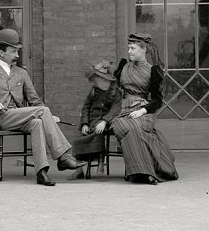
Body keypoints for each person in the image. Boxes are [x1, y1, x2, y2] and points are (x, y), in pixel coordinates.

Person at [0, 28, 84, 186]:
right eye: (13, 51)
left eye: (18, 51)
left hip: (20, 117)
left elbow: (35, 101)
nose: (17, 55)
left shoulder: (21, 73)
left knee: (38, 123)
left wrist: (48, 117)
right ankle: (63, 156)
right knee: (43, 112)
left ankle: (41, 172)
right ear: (1, 52)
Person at [109, 33, 179, 184]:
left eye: (133, 48)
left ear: (143, 50)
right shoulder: (123, 66)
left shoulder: (153, 70)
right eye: (128, 48)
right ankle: (144, 172)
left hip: (144, 111)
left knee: (137, 128)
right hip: (122, 111)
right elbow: (113, 93)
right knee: (131, 129)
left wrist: (141, 111)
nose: (129, 51)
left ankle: (142, 172)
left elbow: (157, 101)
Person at [71, 60, 122, 165]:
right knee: (80, 136)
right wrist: (84, 123)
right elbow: (86, 107)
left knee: (97, 133)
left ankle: (99, 160)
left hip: (107, 122)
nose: (94, 82)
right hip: (92, 120)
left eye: (96, 79)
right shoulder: (95, 90)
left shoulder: (115, 92)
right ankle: (79, 168)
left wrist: (104, 121)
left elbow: (115, 109)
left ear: (104, 79)